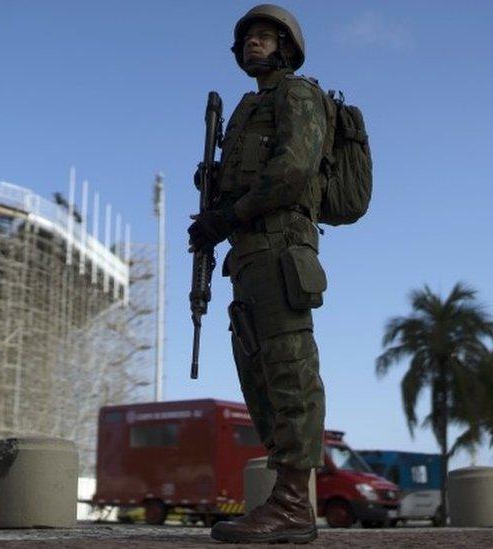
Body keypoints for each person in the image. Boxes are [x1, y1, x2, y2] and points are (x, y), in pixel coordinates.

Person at [187, 4, 330, 544]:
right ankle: (285, 503)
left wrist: (227, 215)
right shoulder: (249, 107)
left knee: (290, 368)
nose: (254, 44)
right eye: (248, 38)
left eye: (266, 37)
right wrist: (215, 206)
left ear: (287, 47)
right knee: (259, 371)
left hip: (280, 245)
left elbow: (293, 170)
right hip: (247, 252)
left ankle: (293, 504)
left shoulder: (297, 94)